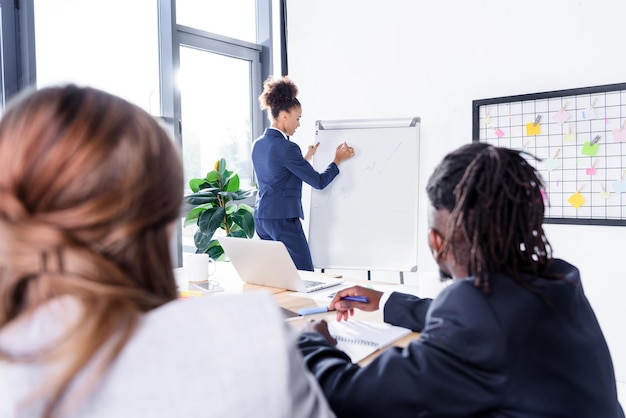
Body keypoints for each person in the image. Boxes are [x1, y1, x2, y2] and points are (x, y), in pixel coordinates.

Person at [0, 85, 335, 418]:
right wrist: (315, 348)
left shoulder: (14, 368)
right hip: (285, 224)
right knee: (304, 277)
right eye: (298, 117)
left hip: (267, 215)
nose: (298, 123)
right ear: (163, 218)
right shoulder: (251, 335)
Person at [298, 142, 625, 418]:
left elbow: (352, 398)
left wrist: (314, 340)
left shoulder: (477, 313)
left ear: (436, 242)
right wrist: (384, 301)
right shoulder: (557, 277)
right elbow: (483, 320)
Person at [252, 75, 354, 271]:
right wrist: (337, 160)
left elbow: (277, 174)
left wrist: (305, 157)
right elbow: (319, 181)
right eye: (297, 118)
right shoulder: (287, 148)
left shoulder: (258, 144)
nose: (298, 124)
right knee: (305, 273)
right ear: (284, 116)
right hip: (283, 219)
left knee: (276, 275)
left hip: (262, 218)